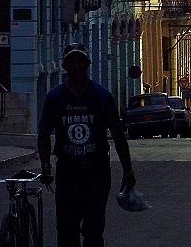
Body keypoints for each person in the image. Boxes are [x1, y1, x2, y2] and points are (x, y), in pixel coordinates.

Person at [38, 44, 135, 247]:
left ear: (88, 64)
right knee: (67, 231)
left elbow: (118, 135)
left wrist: (128, 170)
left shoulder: (102, 97)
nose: (76, 66)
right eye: (71, 62)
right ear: (65, 66)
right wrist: (45, 165)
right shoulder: (55, 98)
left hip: (96, 172)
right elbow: (44, 133)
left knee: (93, 230)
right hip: (67, 172)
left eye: (80, 62)